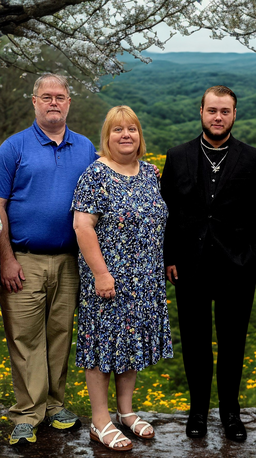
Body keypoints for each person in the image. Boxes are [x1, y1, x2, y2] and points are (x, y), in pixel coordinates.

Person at [161, 85, 256, 442]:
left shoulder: (251, 157)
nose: (218, 117)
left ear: (234, 114)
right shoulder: (177, 156)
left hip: (236, 267)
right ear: (201, 112)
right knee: (195, 344)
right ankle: (197, 412)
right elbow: (168, 212)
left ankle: (230, 413)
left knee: (232, 344)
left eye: (225, 111)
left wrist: (255, 258)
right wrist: (169, 257)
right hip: (189, 266)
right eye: (212, 110)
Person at [0, 73, 97, 445]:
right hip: (23, 260)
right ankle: (27, 414)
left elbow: (108, 180)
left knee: (60, 337)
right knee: (25, 339)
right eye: (46, 96)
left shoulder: (84, 147)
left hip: (70, 261)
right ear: (34, 101)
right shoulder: (13, 147)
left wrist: (142, 171)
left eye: (60, 97)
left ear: (69, 102)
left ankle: (55, 406)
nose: (53, 102)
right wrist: (5, 260)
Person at [72, 106, 173, 451]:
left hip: (144, 279)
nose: (126, 135)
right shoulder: (95, 175)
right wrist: (101, 274)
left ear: (139, 135)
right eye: (118, 130)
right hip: (107, 279)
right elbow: (82, 226)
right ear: (107, 136)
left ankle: (126, 412)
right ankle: (100, 421)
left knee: (131, 345)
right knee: (102, 346)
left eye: (132, 129)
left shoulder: (149, 173)